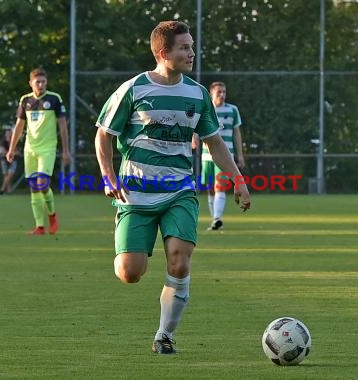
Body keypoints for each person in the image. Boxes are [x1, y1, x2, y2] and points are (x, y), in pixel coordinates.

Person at [94, 21, 251, 355]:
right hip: (135, 194)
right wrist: (108, 176)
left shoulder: (197, 94)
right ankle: (127, 243)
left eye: (192, 46)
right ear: (164, 53)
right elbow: (103, 135)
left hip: (180, 191)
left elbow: (215, 143)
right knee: (129, 272)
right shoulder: (134, 89)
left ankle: (164, 335)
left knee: (180, 262)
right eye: (184, 47)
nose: (191, 53)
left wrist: (238, 179)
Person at [6, 67, 70, 235]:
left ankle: (52, 215)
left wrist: (66, 150)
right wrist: (12, 149)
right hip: (30, 149)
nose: (41, 84)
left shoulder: (54, 99)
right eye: (37, 82)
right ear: (30, 83)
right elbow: (19, 126)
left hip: (48, 148)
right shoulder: (25, 100)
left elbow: (63, 125)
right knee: (34, 187)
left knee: (42, 184)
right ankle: (40, 227)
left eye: (43, 81)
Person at [192, 82, 245, 230]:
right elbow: (196, 127)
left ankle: (216, 219)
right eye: (219, 92)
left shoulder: (232, 110)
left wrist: (240, 155)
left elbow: (236, 132)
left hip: (225, 156)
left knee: (219, 187)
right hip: (206, 156)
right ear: (211, 94)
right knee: (210, 188)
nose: (222, 95)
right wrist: (194, 137)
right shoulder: (206, 109)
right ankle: (215, 219)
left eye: (224, 92)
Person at [0, 128, 17, 195]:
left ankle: (2, 189)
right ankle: (9, 190)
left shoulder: (13, 141)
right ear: (5, 134)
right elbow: (3, 151)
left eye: (9, 133)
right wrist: (11, 152)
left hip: (13, 160)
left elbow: (17, 151)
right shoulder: (3, 142)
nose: (8, 134)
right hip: (4, 160)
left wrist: (13, 153)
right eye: (7, 133)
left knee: (10, 174)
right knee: (6, 175)